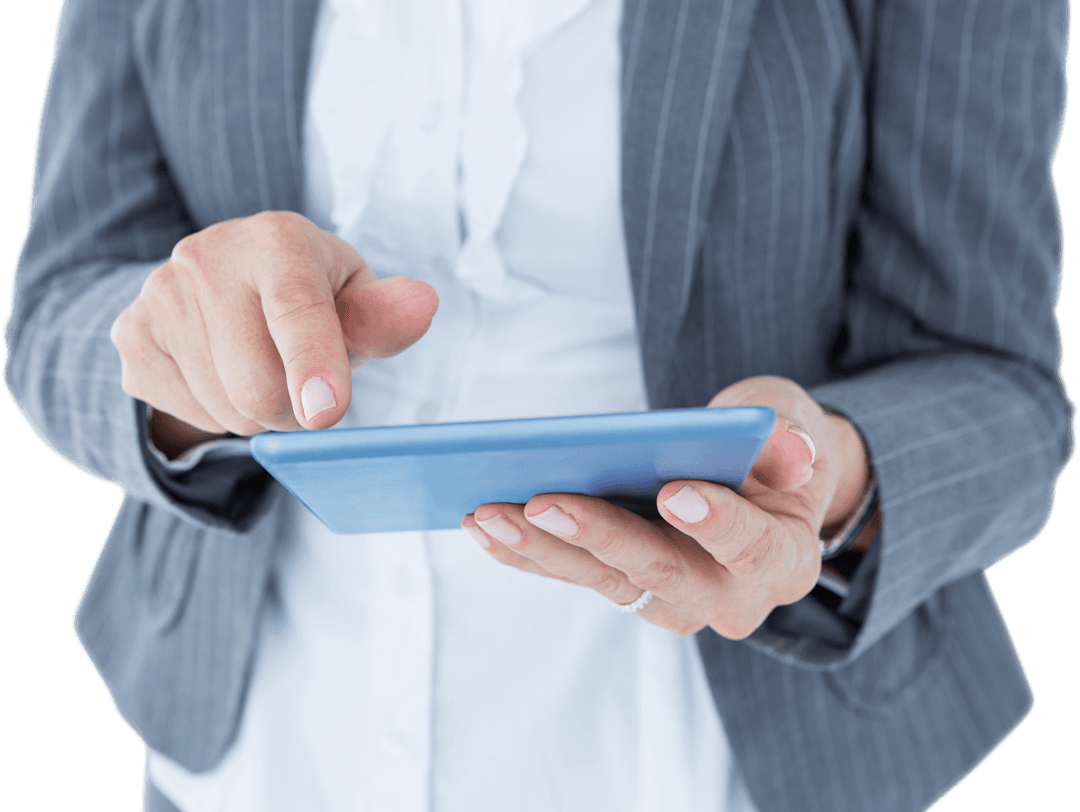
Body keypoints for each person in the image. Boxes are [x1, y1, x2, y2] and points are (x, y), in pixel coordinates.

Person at [2, 0, 1073, 810]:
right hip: (257, 751)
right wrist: (187, 369)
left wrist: (822, 478)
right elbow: (61, 297)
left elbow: (1001, 385)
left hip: (708, 759)